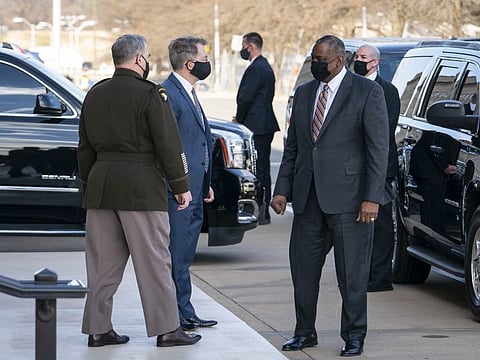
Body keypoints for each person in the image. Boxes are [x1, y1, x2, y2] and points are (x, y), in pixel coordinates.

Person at [78, 34, 201, 348]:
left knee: (101, 265)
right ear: (137, 59)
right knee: (155, 263)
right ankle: (168, 329)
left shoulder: (95, 93)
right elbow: (168, 145)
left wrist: (89, 188)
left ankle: (98, 329)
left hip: (102, 186)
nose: (148, 60)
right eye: (146, 55)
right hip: (141, 188)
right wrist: (181, 186)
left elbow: (85, 149)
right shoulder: (151, 94)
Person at [271, 35, 389, 356]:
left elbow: (378, 150)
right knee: (303, 271)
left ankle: (354, 336)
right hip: (308, 199)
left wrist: (372, 197)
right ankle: (304, 332)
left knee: (351, 274)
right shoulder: (305, 92)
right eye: (313, 58)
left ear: (337, 61)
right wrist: (282, 189)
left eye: (320, 59)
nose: (315, 64)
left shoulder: (367, 92)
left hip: (351, 201)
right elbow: (293, 148)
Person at [161, 36, 217, 331]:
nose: (208, 62)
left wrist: (204, 181)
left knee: (185, 254)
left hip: (195, 188)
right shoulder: (168, 94)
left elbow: (197, 142)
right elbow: (169, 147)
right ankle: (177, 315)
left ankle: (186, 310)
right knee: (176, 254)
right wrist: (181, 184)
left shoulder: (189, 92)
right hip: (179, 192)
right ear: (189, 63)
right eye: (205, 57)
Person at [353, 44, 401, 292]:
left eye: (363, 58)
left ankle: (380, 275)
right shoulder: (351, 86)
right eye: (356, 57)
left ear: (375, 62)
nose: (358, 61)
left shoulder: (387, 91)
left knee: (380, 222)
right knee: (357, 221)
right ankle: (361, 271)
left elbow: (383, 130)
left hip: (379, 165)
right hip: (352, 165)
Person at [234, 32, 280, 225]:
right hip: (264, 124)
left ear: (250, 46)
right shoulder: (265, 67)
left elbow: (246, 97)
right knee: (262, 167)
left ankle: (260, 210)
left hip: (256, 126)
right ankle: (262, 210)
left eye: (244, 46)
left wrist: (239, 119)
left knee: (257, 169)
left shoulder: (256, 69)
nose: (242, 50)